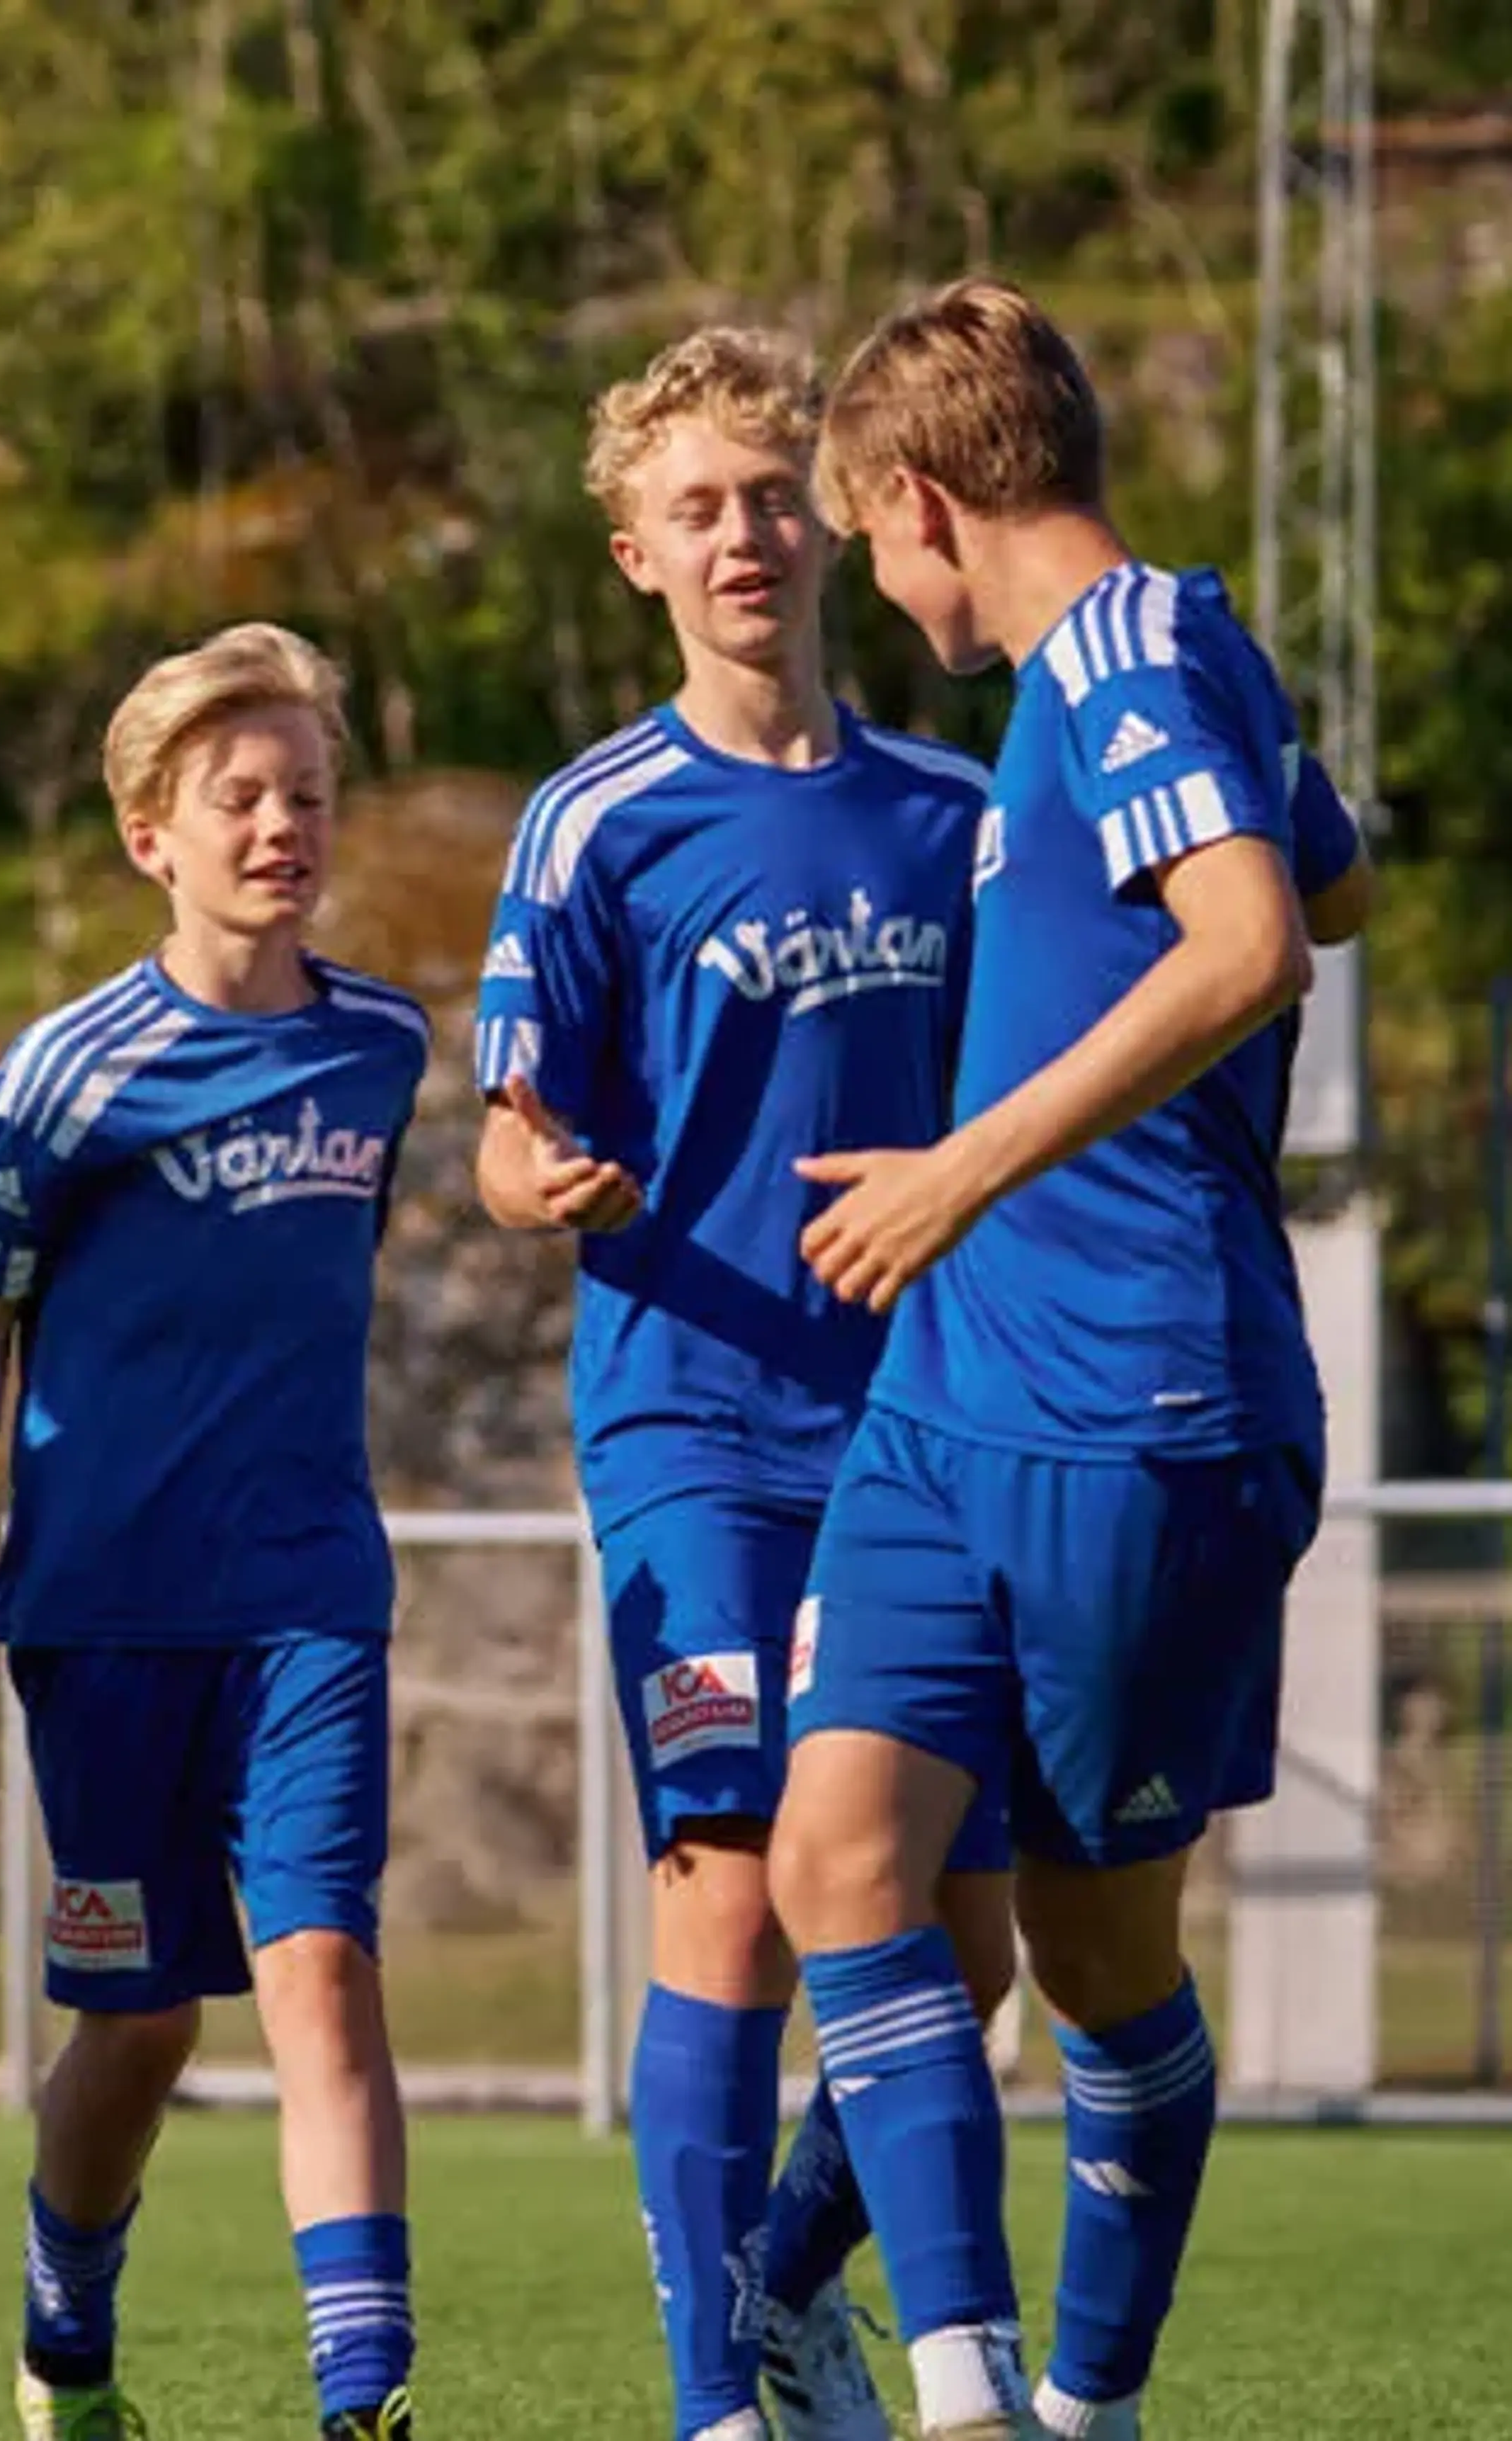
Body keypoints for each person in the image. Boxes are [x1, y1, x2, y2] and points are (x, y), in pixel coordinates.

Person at [767, 278, 1369, 2441]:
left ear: (925, 501)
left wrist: (959, 1165)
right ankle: (959, 2381)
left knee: (1110, 1964)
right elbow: (1341, 872)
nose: (878, 577)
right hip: (954, 1399)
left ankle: (1090, 2400)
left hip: (1143, 1401)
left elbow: (1256, 937)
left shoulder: (1120, 655)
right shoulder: (1137, 659)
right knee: (840, 1849)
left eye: (866, 529)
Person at [472, 326, 1018, 2441]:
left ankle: (793, 2288)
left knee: (962, 1949)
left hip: (928, 1429)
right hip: (695, 1417)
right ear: (636, 553)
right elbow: (513, 1120)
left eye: (772, 497)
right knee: (731, 1879)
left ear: (836, 521)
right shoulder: (594, 820)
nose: (743, 538)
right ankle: (713, 2403)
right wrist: (540, 1179)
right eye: (697, 507)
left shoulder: (957, 814)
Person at [0, 621, 431, 2441]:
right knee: (141, 2027)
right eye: (241, 797)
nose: (283, 824)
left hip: (309, 1601)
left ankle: (364, 2395)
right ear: (153, 836)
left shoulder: (384, 1047)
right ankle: (66, 2329)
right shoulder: (68, 1074)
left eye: (309, 792)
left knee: (325, 1969)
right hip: (105, 1617)